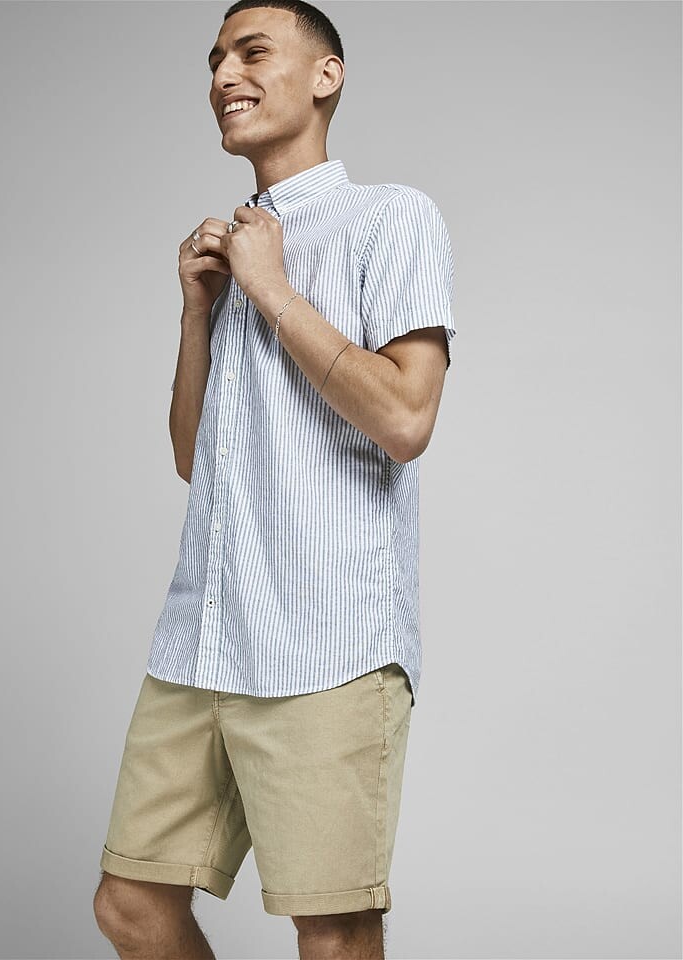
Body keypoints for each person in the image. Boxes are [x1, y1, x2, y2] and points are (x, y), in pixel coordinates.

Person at [93, 1, 457, 957]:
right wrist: (199, 310)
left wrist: (271, 287)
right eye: (215, 59)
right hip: (202, 638)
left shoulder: (391, 216)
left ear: (327, 76)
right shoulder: (236, 248)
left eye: (252, 52)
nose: (224, 75)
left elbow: (406, 421)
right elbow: (193, 457)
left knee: (332, 932)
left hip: (325, 644)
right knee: (131, 905)